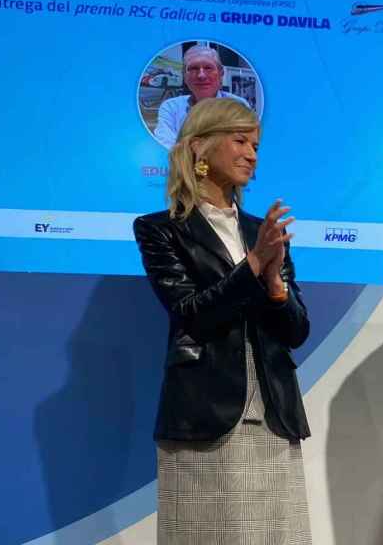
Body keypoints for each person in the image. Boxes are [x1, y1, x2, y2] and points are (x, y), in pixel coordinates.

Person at [133, 98, 312, 545]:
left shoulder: (264, 230)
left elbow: (296, 331)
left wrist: (274, 283)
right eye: (239, 140)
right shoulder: (160, 230)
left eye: (256, 144)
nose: (252, 152)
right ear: (199, 148)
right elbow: (192, 313)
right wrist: (252, 266)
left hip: (273, 415)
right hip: (204, 418)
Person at [152, 45, 251, 149]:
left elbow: (243, 146)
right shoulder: (171, 107)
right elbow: (165, 145)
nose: (201, 75)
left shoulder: (238, 105)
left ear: (221, 73)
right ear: (185, 77)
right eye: (194, 68)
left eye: (208, 68)